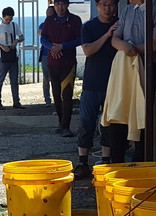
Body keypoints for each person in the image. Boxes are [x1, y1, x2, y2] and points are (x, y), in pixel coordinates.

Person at [106, 0, 156, 163]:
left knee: (141, 115)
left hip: (144, 69)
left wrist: (132, 49)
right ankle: (116, 163)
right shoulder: (127, 10)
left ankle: (140, 163)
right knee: (118, 111)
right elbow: (115, 39)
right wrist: (124, 46)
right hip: (123, 69)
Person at [72, 0, 119, 180]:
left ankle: (106, 160)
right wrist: (107, 35)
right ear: (97, 5)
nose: (108, 8)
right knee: (86, 123)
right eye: (104, 4)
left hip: (114, 83)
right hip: (92, 82)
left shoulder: (121, 25)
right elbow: (88, 50)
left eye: (111, 4)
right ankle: (83, 162)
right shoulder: (89, 27)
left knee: (109, 124)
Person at [40, 0, 82, 137]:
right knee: (56, 95)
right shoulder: (50, 20)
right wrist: (52, 47)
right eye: (57, 4)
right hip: (52, 63)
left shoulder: (75, 20)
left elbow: (80, 39)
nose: (60, 7)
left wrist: (62, 46)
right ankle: (61, 122)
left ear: (68, 4)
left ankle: (66, 126)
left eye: (63, 4)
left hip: (68, 64)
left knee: (67, 95)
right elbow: (43, 38)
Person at [0, 7, 25, 111]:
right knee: (0, 80)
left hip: (13, 55)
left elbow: (22, 37)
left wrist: (16, 41)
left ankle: (16, 101)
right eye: (7, 19)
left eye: (10, 19)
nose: (9, 21)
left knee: (14, 80)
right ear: (3, 17)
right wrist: (1, 46)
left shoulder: (14, 25)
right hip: (2, 57)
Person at [38, 6, 56, 107]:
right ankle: (47, 98)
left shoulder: (57, 24)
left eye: (50, 13)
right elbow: (40, 33)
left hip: (55, 53)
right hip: (45, 54)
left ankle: (56, 97)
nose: (48, 15)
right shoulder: (43, 24)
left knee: (55, 77)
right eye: (47, 13)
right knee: (46, 76)